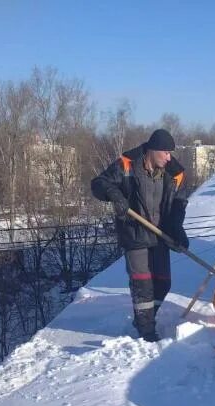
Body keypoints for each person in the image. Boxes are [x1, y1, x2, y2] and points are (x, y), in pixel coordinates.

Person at [91, 129, 188, 342]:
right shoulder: (127, 164)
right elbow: (98, 183)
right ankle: (146, 330)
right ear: (152, 151)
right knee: (143, 283)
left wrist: (177, 230)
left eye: (170, 153)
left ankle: (145, 317)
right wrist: (115, 195)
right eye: (165, 153)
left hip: (160, 233)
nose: (169, 157)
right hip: (135, 231)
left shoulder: (175, 173)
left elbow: (179, 204)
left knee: (163, 282)